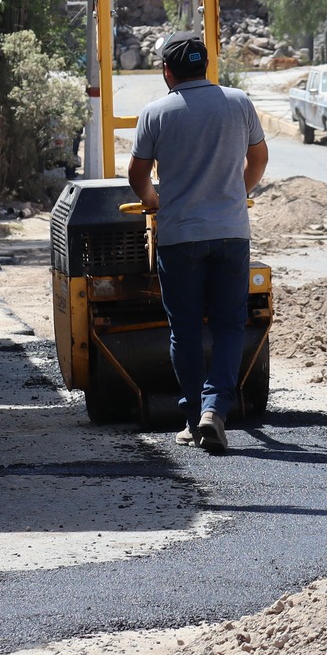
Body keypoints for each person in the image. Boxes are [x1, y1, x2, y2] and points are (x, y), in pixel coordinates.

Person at [127, 34, 269, 454]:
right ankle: (215, 410)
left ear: (167, 72)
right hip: (230, 233)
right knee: (228, 324)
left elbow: (138, 176)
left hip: (179, 237)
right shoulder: (239, 102)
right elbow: (258, 159)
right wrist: (234, 194)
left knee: (185, 329)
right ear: (206, 67)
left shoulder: (155, 112)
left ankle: (193, 418)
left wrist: (155, 201)